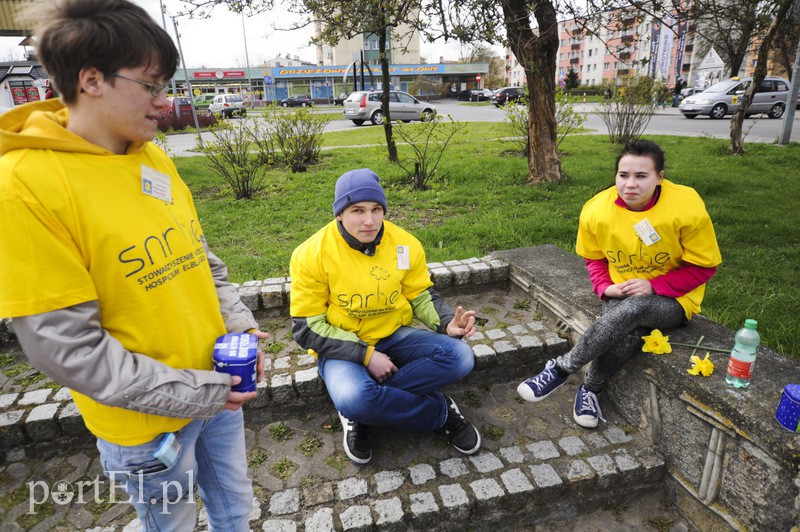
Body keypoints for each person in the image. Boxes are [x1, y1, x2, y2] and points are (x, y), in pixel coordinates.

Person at [0, 1, 267, 530]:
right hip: (148, 429)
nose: (165, 103)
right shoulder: (23, 187)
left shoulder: (150, 155)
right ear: (92, 79)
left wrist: (241, 327)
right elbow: (71, 351)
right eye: (152, 85)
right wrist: (202, 391)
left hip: (215, 392)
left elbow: (198, 256)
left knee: (236, 511)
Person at [517, 140, 721, 429]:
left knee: (635, 309)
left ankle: (561, 368)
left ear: (660, 176)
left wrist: (654, 285)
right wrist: (604, 288)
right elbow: (595, 259)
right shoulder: (596, 211)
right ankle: (590, 390)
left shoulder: (686, 207)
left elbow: (704, 266)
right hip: (620, 290)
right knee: (626, 331)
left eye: (641, 176)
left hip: (674, 300)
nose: (630, 184)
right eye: (623, 175)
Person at [289, 169, 481, 464]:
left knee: (461, 357)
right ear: (340, 213)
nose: (369, 220)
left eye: (376, 209)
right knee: (354, 397)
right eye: (357, 210)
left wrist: (446, 322)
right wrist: (365, 355)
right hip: (343, 345)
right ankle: (438, 412)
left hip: (394, 335)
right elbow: (307, 328)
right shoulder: (311, 254)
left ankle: (366, 409)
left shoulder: (405, 244)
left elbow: (420, 294)